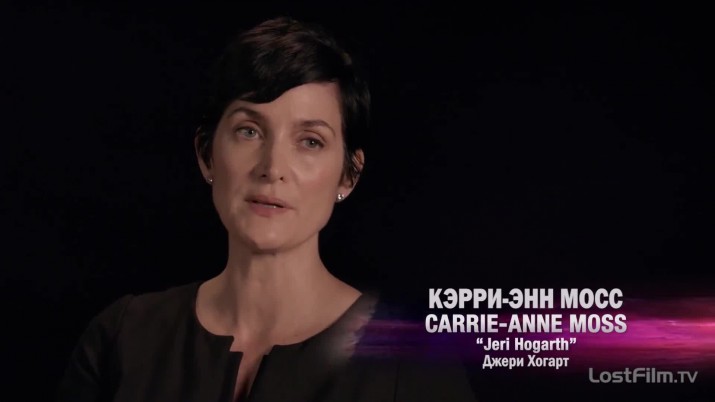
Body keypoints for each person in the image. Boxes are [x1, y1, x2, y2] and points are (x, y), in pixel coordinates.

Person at [57, 16, 477, 401]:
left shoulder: (413, 365)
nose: (272, 168)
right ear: (206, 154)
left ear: (348, 175)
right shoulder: (122, 338)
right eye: (249, 131)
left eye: (310, 141)